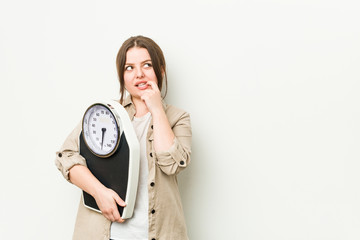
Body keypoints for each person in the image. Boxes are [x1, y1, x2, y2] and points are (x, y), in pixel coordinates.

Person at [55, 35, 192, 240]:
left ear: (160, 70)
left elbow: (171, 164)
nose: (139, 74)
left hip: (157, 234)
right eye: (129, 68)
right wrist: (99, 192)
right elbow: (65, 156)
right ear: (122, 75)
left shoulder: (177, 118)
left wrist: (156, 109)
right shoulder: (104, 113)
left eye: (147, 65)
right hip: (105, 234)